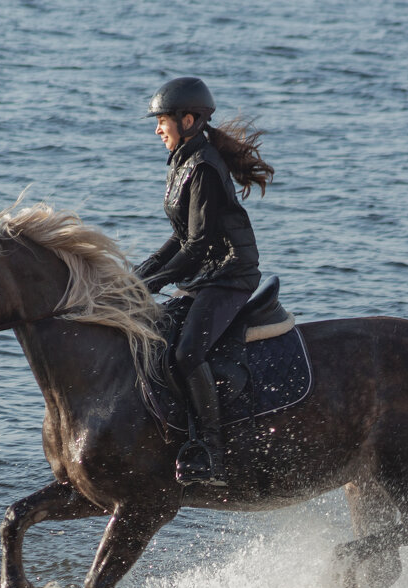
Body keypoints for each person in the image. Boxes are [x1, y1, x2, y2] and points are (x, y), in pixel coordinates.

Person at [134, 77, 274, 487]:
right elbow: (180, 237)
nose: (157, 129)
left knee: (186, 352)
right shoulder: (183, 162)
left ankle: (211, 451)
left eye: (162, 121)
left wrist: (155, 282)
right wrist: (137, 277)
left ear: (188, 120)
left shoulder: (205, 167)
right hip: (209, 273)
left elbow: (197, 246)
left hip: (231, 274)